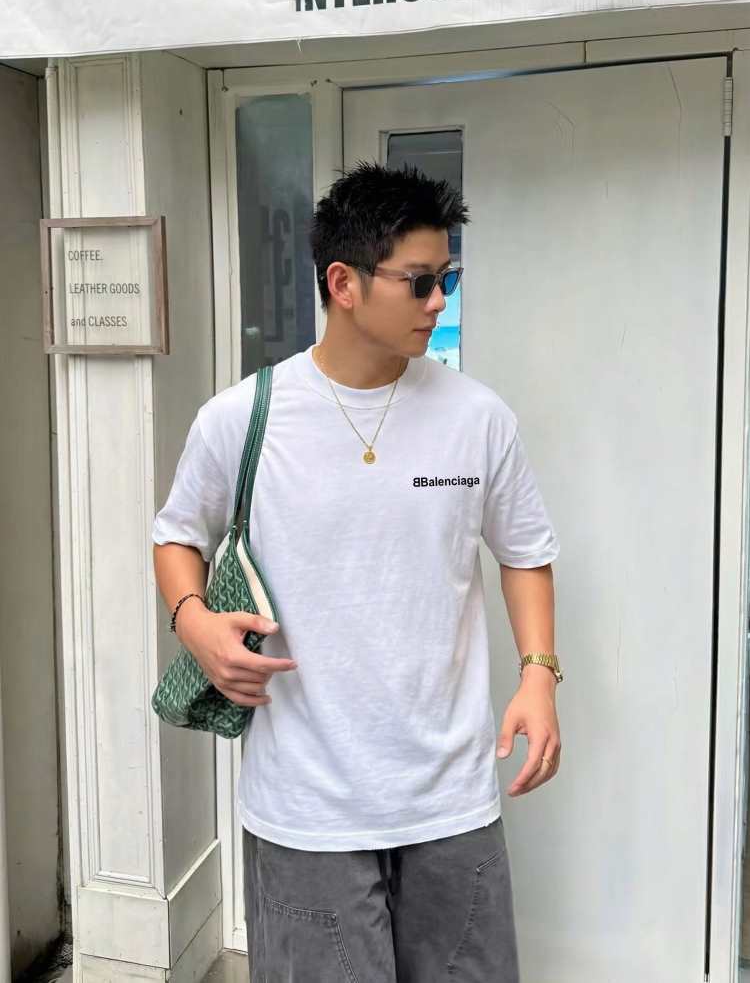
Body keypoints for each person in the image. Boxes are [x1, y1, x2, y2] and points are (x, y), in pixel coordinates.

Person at [152, 160, 562, 982]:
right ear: (343, 283)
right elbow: (176, 537)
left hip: (452, 799)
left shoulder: (478, 417)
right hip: (307, 804)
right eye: (419, 282)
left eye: (446, 279)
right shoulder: (242, 417)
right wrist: (195, 624)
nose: (438, 301)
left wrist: (538, 674)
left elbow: (524, 551)